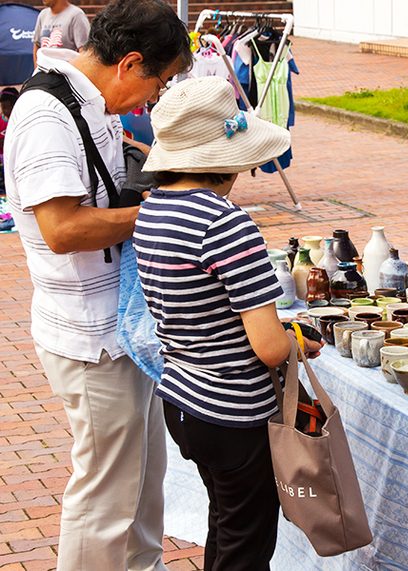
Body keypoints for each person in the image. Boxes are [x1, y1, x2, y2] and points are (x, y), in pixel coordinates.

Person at [4, 0, 194, 569]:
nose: (154, 98)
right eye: (159, 83)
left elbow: (97, 193)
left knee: (141, 481)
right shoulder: (46, 115)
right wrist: (165, 214)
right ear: (130, 64)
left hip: (120, 329)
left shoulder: (87, 103)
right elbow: (63, 229)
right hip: (90, 337)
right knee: (105, 497)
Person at [134, 75, 323, 570]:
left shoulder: (153, 209)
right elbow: (269, 348)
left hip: (183, 399)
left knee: (226, 525)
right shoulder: (224, 222)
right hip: (234, 410)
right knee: (246, 546)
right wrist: (296, 338)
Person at [32, 0, 90, 66]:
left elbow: (84, 50)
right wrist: (37, 71)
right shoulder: (43, 15)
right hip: (44, 72)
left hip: (65, 72)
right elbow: (37, 45)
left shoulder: (76, 15)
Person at [1, 87, 19, 195]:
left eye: (9, 107)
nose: (6, 111)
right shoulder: (1, 122)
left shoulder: (19, 122)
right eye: (3, 107)